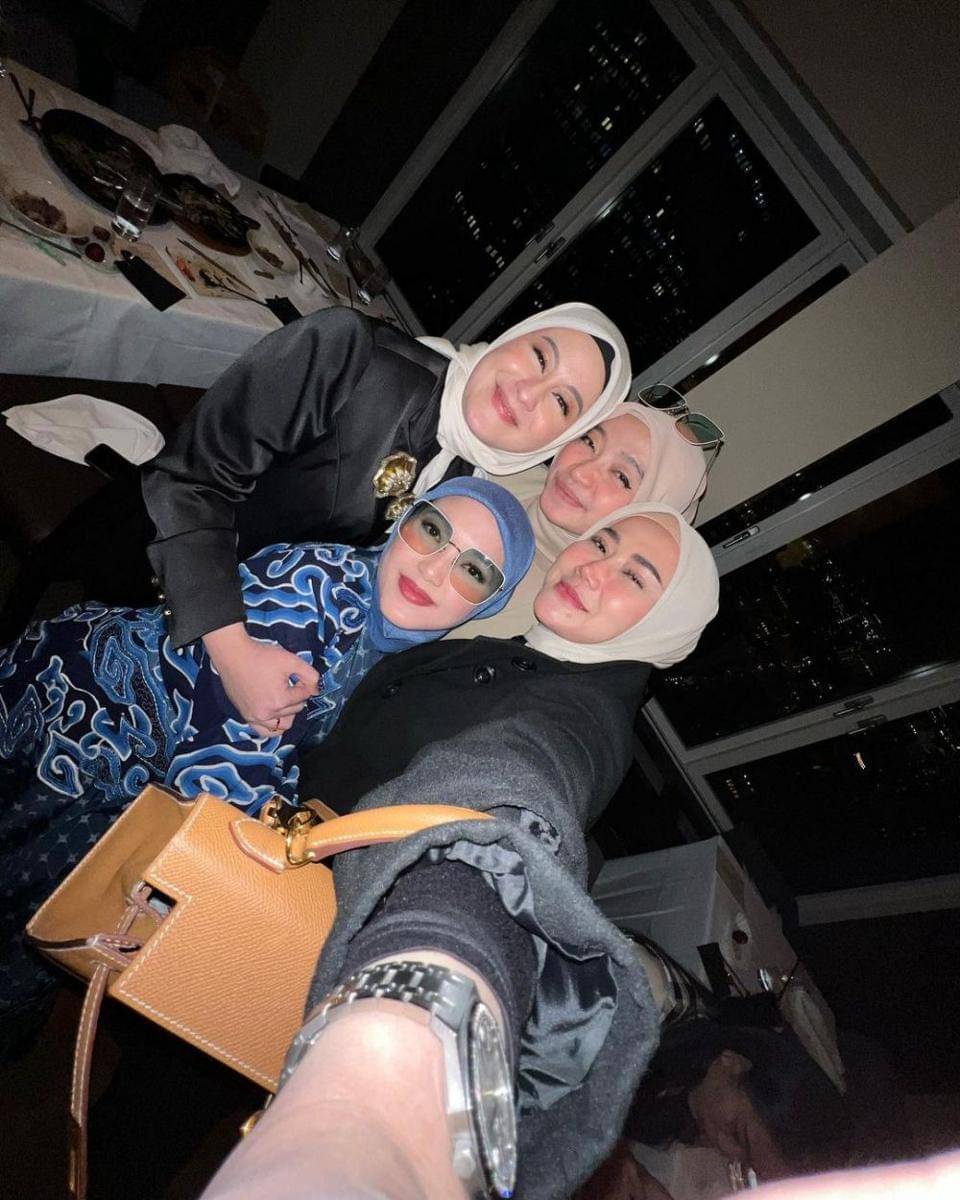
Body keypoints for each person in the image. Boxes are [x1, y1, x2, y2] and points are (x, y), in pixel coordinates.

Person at [0, 478, 534, 1029]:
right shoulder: (314, 583)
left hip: (141, 774)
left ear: (488, 605)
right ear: (402, 522)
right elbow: (222, 767)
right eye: (432, 531)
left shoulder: (395, 656)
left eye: (474, 571)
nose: (433, 569)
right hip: (80, 718)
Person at [298, 500, 720, 815]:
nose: (593, 569)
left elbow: (527, 784)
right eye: (600, 543)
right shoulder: (531, 653)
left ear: (663, 625)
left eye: (633, 576)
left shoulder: (586, 717)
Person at [445, 399, 711, 642]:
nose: (581, 472)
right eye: (590, 442)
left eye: (621, 477)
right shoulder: (488, 468)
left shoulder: (568, 619)